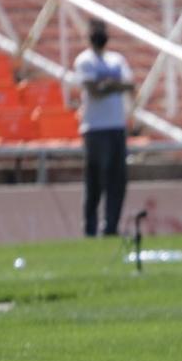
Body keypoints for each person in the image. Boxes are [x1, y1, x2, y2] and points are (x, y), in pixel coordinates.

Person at [75, 19, 135, 237]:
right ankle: (90, 228)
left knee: (117, 180)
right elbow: (94, 91)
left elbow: (130, 85)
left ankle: (111, 227)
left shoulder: (117, 60)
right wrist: (113, 86)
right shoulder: (85, 61)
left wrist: (110, 86)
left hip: (117, 126)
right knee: (95, 180)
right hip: (95, 128)